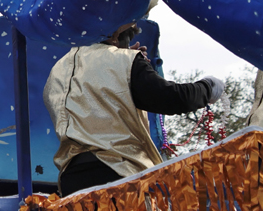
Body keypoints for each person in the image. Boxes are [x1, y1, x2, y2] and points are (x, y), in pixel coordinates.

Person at [43, 22, 225, 197]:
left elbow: (95, 82)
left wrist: (126, 62)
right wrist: (207, 87)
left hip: (72, 180)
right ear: (115, 36)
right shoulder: (123, 60)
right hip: (119, 173)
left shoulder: (58, 70)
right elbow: (172, 98)